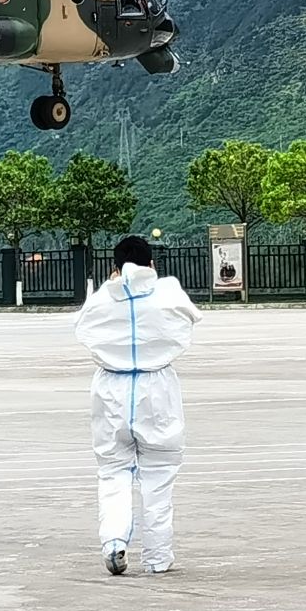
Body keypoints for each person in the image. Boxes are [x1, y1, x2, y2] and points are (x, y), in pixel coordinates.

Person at [74, 233, 201, 575]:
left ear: (114, 268)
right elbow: (191, 317)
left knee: (112, 470)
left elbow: (82, 327)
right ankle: (158, 557)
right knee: (159, 474)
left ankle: (114, 541)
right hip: (156, 386)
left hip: (111, 388)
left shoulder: (102, 299)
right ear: (152, 265)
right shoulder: (167, 291)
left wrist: (114, 286)